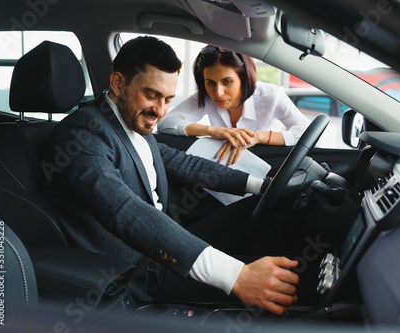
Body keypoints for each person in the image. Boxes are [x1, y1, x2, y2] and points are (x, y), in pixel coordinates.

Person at [41, 36, 299, 315]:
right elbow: (125, 211)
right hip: (141, 273)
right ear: (117, 83)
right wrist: (236, 275)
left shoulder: (130, 120)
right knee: (292, 284)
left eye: (168, 100)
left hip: (164, 243)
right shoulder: (82, 135)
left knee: (276, 214)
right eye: (151, 95)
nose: (161, 111)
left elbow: (184, 163)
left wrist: (260, 185)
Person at [157, 45, 314, 165]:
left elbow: (307, 133)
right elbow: (166, 123)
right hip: (225, 171)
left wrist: (257, 137)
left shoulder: (271, 95)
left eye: (227, 82)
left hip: (269, 167)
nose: (218, 93)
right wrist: (214, 131)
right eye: (210, 83)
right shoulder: (205, 96)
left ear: (244, 78)